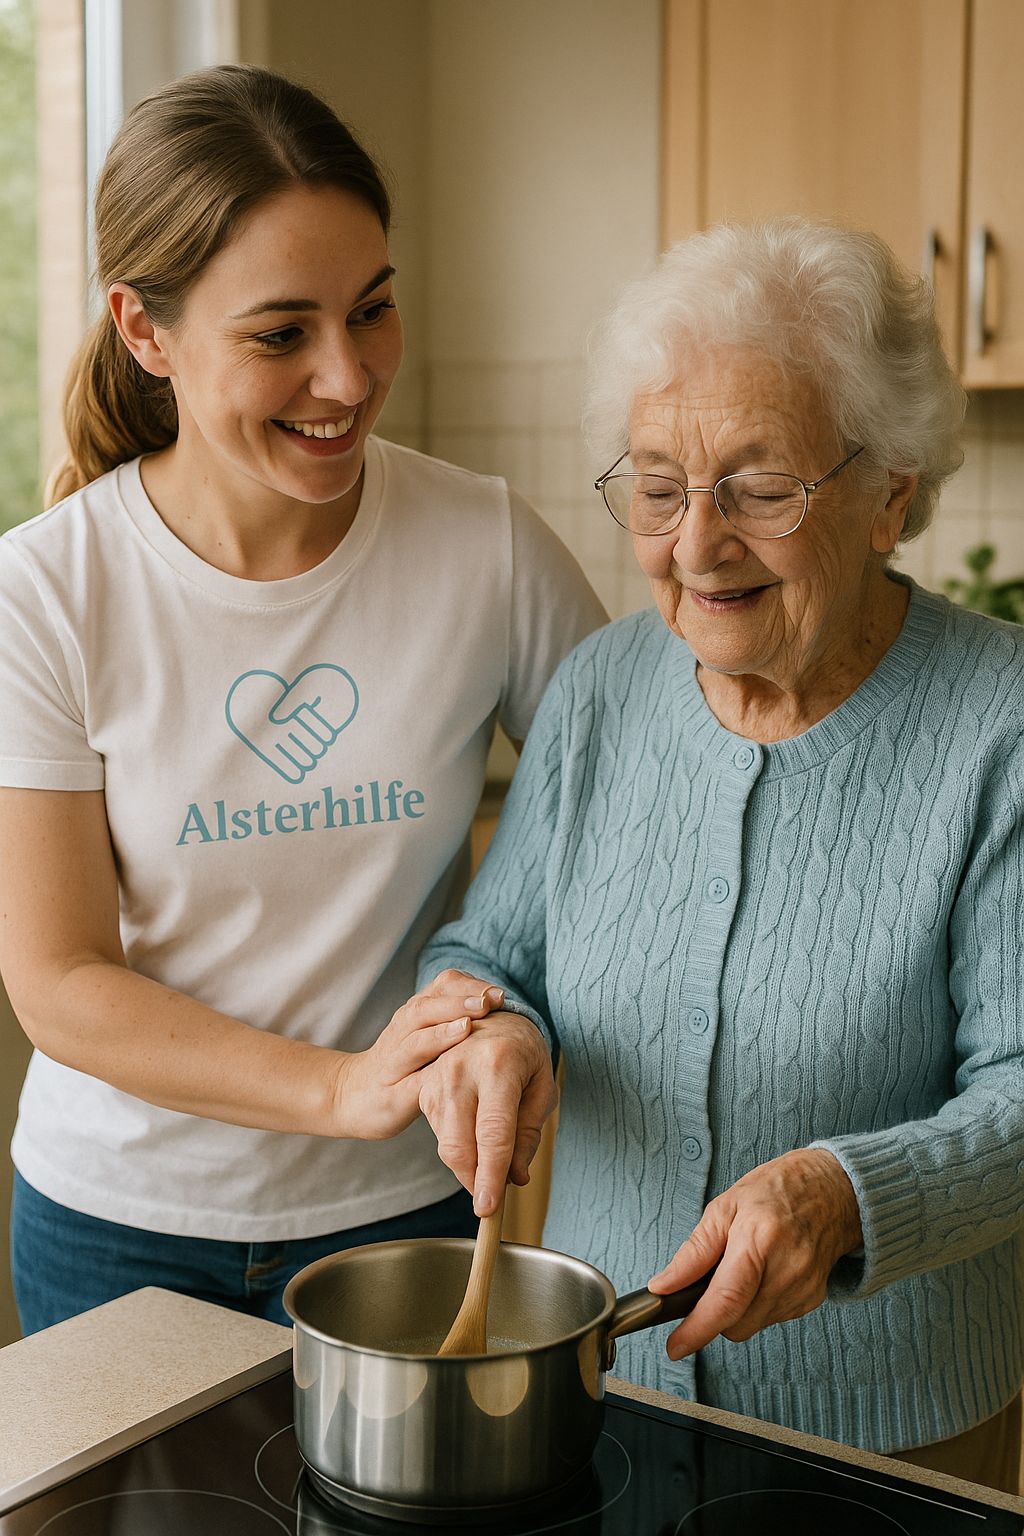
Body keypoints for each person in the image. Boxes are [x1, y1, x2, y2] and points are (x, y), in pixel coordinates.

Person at [416, 219, 1024, 1492]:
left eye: (759, 487)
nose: (695, 543)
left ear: (891, 490)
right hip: (603, 1404)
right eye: (655, 484)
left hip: (890, 1442)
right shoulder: (597, 694)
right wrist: (494, 1032)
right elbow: (489, 951)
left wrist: (843, 1196)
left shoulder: (999, 725)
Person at [0, 64, 604, 1335]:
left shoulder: (482, 547)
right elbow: (57, 977)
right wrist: (343, 1088)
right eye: (281, 335)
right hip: (117, 1227)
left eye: (371, 311)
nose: (348, 376)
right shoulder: (47, 590)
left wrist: (514, 1022)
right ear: (144, 330)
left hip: (406, 1213)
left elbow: (634, 825)